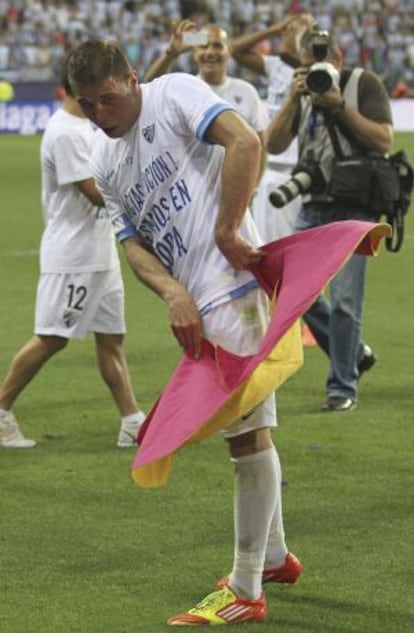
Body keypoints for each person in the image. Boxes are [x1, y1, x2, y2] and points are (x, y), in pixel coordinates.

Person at [67, 39, 302, 626]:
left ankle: (247, 586)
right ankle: (272, 558)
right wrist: (174, 292)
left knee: (244, 438)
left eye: (109, 98)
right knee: (252, 430)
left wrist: (227, 230)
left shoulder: (174, 94)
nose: (101, 113)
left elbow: (245, 141)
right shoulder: (105, 159)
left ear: (132, 78)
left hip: (234, 289)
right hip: (199, 301)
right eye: (88, 104)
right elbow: (133, 246)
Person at [0, 54, 145, 449]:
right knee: (51, 337)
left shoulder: (90, 125)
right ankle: (0, 411)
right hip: (73, 255)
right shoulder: (65, 133)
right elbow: (96, 195)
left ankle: (132, 421)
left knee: (111, 338)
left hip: (101, 251)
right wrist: (142, 190)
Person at [264, 29, 393, 412]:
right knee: (291, 291)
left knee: (345, 302)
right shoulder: (302, 93)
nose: (315, 69)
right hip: (313, 204)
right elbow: (272, 145)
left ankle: (342, 387)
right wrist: (292, 97)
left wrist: (338, 105)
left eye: (321, 61)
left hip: (355, 207)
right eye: (307, 64)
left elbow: (384, 140)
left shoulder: (363, 83)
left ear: (337, 59)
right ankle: (352, 353)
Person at [144, 20, 269, 183]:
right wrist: (171, 53)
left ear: (229, 51)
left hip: (236, 190)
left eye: (218, 46)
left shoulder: (247, 92)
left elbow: (261, 145)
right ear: (194, 53)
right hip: (192, 193)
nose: (210, 52)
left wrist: (253, 189)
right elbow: (148, 88)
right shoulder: (183, 89)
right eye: (203, 46)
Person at [230, 13, 316, 242]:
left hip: (296, 169)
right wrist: (275, 28)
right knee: (265, 247)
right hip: (269, 166)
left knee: (292, 248)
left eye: (295, 30)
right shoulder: (275, 65)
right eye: (287, 31)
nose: (288, 34)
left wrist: (298, 33)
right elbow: (235, 50)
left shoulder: (315, 67)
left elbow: (292, 52)